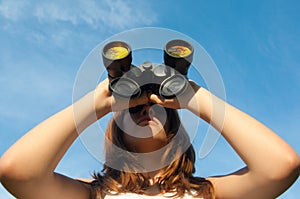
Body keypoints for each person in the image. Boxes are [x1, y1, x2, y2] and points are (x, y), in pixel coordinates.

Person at [0, 78, 299, 199]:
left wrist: (197, 98)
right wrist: (97, 104)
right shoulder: (95, 194)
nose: (145, 109)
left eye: (156, 105)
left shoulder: (207, 192)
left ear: (175, 126)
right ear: (117, 131)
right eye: (134, 107)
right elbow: (18, 172)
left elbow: (280, 166)